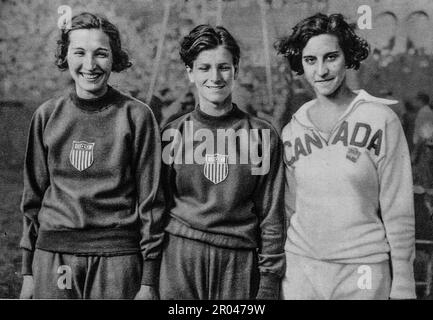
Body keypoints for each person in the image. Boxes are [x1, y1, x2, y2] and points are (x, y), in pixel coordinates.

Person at [19, 12, 164, 299]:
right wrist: (27, 273)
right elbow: (32, 199)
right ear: (65, 56)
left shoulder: (136, 116)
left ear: (114, 57)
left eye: (101, 54)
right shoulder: (47, 115)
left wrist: (148, 281)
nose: (90, 65)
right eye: (79, 53)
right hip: (54, 255)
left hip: (118, 257)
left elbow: (152, 203)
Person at [275, 13, 415, 299]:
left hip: (363, 267)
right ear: (300, 64)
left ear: (347, 57)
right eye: (310, 60)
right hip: (301, 267)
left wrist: (403, 281)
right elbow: (289, 210)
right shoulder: (291, 130)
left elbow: (398, 208)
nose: (322, 70)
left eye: (331, 57)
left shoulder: (381, 119)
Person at [159, 24, 285, 300]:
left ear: (236, 70)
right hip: (180, 257)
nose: (215, 77)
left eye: (224, 67)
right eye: (204, 68)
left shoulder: (261, 135)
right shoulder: (172, 133)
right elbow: (157, 208)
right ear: (190, 73)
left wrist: (268, 280)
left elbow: (272, 214)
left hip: (237, 261)